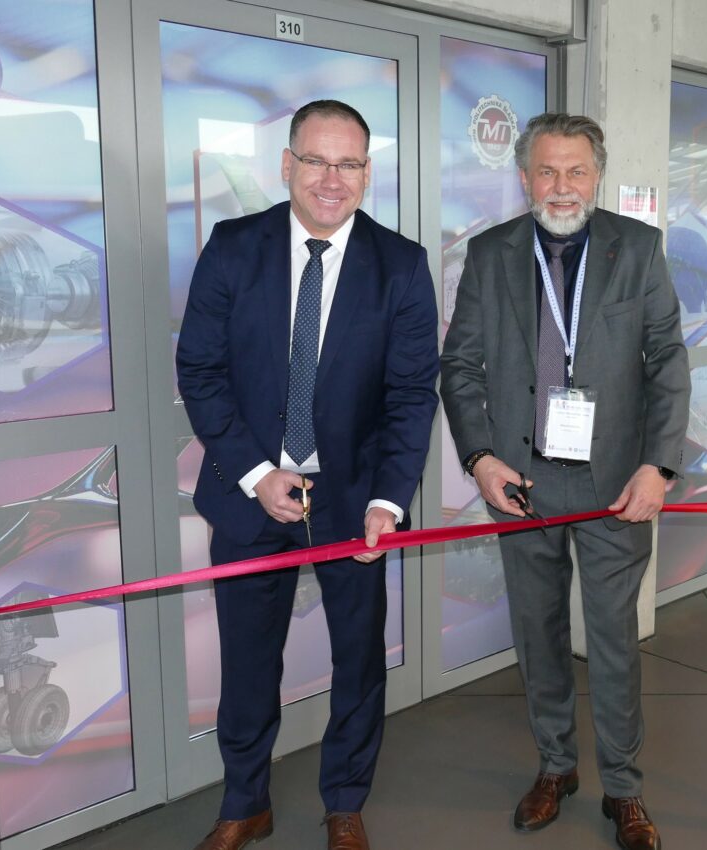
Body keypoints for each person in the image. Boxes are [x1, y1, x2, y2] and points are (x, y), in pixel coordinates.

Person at [177, 99, 439, 850]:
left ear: (367, 172)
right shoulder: (234, 247)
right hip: (249, 496)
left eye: (349, 163)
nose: (332, 179)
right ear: (287, 165)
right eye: (317, 161)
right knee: (247, 661)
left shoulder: (401, 264)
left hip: (354, 502)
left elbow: (411, 394)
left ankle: (345, 803)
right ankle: (244, 804)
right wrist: (256, 473)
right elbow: (200, 371)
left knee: (359, 659)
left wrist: (389, 499)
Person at [440, 113, 690, 850]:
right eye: (546, 170)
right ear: (524, 177)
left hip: (617, 485)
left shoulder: (637, 247)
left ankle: (624, 787)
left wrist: (659, 465)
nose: (562, 185)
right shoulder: (490, 252)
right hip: (520, 482)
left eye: (576, 170)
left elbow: (666, 361)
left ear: (597, 174)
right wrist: (480, 459)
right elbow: (460, 366)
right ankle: (555, 767)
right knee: (538, 635)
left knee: (613, 641)